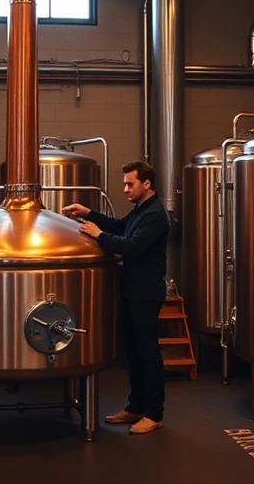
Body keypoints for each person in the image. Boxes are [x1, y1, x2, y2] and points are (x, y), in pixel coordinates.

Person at [61, 161, 170, 435]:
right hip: (133, 291)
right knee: (133, 353)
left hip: (145, 293)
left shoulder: (155, 214)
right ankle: (136, 406)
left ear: (147, 184)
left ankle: (154, 414)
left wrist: (99, 235)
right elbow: (121, 226)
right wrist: (89, 214)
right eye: (124, 183)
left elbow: (132, 247)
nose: (125, 189)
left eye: (130, 183)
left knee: (148, 354)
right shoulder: (140, 210)